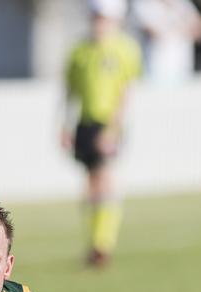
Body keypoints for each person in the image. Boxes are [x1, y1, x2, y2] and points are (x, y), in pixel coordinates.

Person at [63, 0, 141, 268]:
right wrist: (65, 124)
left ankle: (103, 243)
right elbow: (69, 91)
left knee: (104, 178)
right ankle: (94, 241)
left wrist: (113, 129)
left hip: (108, 122)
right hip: (85, 122)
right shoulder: (80, 50)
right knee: (90, 183)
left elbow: (126, 92)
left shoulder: (124, 49)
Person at [132, 0, 201, 86]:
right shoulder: (144, 4)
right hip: (156, 72)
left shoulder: (182, 4)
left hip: (183, 70)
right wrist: (185, 27)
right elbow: (156, 33)